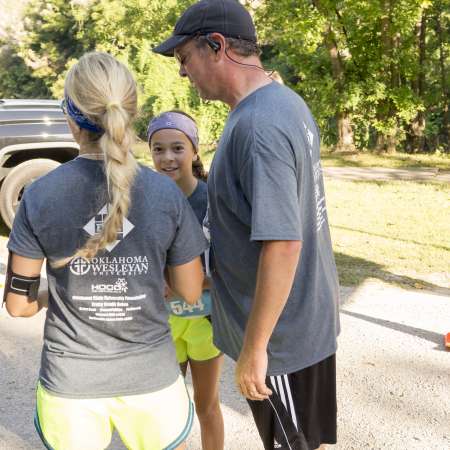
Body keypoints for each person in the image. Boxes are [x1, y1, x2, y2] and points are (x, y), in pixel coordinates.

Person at [153, 1, 340, 450]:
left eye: (185, 59)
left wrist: (257, 349)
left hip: (281, 340)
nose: (183, 73)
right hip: (295, 322)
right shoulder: (282, 102)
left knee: (293, 444)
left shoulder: (260, 125)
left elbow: (284, 244)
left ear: (216, 46)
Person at [3, 51, 207, 450]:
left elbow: (18, 305)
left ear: (69, 115)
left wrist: (53, 294)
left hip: (70, 384)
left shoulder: (39, 194)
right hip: (152, 381)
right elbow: (191, 290)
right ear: (131, 113)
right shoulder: (166, 194)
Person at [147, 110, 224, 450]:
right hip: (162, 324)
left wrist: (190, 282)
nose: (167, 158)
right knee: (167, 411)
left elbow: (232, 266)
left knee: (206, 406)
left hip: (204, 321)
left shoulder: (214, 200)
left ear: (194, 150)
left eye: (177, 148)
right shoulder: (143, 199)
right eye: (158, 149)